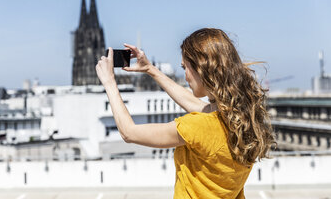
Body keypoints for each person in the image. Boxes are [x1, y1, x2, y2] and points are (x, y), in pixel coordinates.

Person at [95, 28, 276, 199]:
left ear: (202, 68)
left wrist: (109, 82)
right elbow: (197, 106)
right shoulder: (245, 118)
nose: (185, 77)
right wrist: (150, 69)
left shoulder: (198, 126)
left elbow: (129, 132)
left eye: (185, 68)